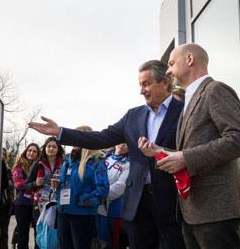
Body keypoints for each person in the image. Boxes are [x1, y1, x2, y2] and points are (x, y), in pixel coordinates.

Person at [29, 60, 185, 249]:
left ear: (164, 82)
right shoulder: (133, 116)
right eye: (140, 85)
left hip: (173, 202)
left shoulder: (184, 112)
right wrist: (60, 132)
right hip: (137, 203)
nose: (141, 90)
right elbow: (101, 138)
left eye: (146, 84)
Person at [149, 43, 240, 248]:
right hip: (193, 210)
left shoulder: (215, 90)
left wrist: (185, 158)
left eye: (171, 63)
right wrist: (160, 152)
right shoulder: (189, 99)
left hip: (216, 210)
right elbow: (189, 150)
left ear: (189, 60)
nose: (167, 70)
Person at [55, 125, 109, 249]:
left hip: (82, 215)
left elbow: (103, 189)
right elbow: (67, 184)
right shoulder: (68, 161)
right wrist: (58, 187)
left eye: (76, 136)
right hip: (64, 212)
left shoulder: (96, 161)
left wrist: (83, 199)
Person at [96, 144, 130, 248]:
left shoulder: (129, 164)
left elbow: (120, 186)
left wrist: (99, 193)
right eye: (120, 141)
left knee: (112, 240)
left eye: (126, 142)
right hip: (96, 205)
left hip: (114, 208)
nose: (122, 144)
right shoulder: (102, 158)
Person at [27, 137, 65, 225]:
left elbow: (69, 184)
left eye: (54, 147)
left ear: (58, 149)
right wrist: (35, 183)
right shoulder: (37, 164)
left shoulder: (64, 164)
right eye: (49, 146)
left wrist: (60, 184)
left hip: (58, 204)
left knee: (56, 234)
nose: (51, 148)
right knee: (40, 234)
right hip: (40, 205)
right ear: (45, 148)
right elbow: (27, 186)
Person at [11, 143, 40, 249]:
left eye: (34, 151)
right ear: (25, 151)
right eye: (29, 150)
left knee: (39, 234)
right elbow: (18, 183)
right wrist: (34, 184)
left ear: (38, 154)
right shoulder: (19, 165)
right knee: (23, 235)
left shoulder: (40, 166)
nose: (31, 153)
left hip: (37, 204)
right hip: (22, 204)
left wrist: (31, 185)